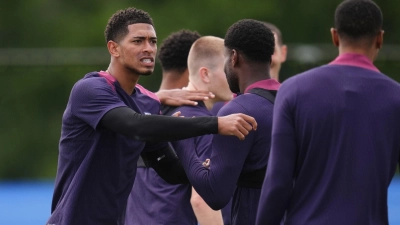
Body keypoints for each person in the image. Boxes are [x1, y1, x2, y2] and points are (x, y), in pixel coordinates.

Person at [45, 8, 257, 225]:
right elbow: (136, 125)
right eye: (138, 41)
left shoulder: (147, 101)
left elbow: (170, 170)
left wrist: (222, 166)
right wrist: (215, 124)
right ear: (113, 48)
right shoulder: (90, 89)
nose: (148, 48)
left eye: (152, 41)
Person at [256, 0, 400, 224]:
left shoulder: (293, 90)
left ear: (334, 36)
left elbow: (278, 181)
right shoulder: (395, 97)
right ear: (380, 38)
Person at [173, 19, 280, 225]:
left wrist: (182, 141)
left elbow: (215, 195)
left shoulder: (239, 110)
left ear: (233, 57)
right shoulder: (297, 100)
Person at [126, 33, 226, 224]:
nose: (234, 73)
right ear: (197, 69)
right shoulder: (200, 122)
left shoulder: (142, 117)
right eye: (227, 66)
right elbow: (201, 200)